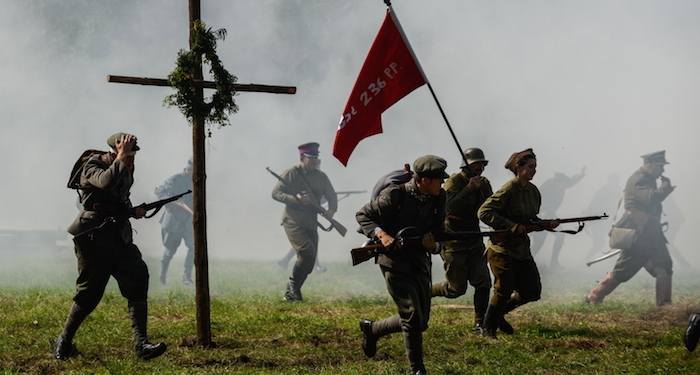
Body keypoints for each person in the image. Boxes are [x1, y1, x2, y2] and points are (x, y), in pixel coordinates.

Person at [56, 133, 166, 360]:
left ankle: (141, 345)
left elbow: (119, 197)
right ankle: (64, 341)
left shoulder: (125, 167)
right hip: (94, 237)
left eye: (133, 156)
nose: (131, 161)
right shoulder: (93, 164)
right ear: (115, 153)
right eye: (128, 156)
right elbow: (105, 182)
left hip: (119, 237)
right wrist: (122, 157)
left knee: (137, 279)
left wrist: (133, 210)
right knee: (89, 295)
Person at [356, 155, 448, 375]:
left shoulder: (439, 197)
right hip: (393, 261)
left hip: (419, 261)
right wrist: (382, 235)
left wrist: (433, 245)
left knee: (421, 321)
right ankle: (418, 370)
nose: (442, 183)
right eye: (438, 179)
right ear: (424, 180)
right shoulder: (395, 195)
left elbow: (439, 233)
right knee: (413, 317)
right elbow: (363, 215)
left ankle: (373, 329)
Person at [477, 148, 559, 339]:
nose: (534, 171)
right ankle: (487, 328)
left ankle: (497, 316)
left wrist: (546, 224)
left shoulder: (533, 192)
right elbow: (484, 212)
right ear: (518, 167)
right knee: (503, 288)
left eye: (535, 167)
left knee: (532, 291)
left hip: (521, 249)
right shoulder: (508, 189)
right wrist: (510, 226)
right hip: (501, 249)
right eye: (530, 167)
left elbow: (530, 219)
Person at [585, 151, 675, 306]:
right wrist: (666, 186)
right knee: (623, 270)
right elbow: (652, 198)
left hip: (652, 234)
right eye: (660, 166)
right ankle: (594, 295)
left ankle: (664, 306)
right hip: (638, 234)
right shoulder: (639, 180)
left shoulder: (648, 179)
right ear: (650, 165)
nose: (663, 171)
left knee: (664, 266)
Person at [431, 148, 493, 333]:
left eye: (482, 164)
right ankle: (425, 293)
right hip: (454, 240)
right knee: (455, 289)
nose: (480, 167)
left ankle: (480, 323)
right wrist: (468, 190)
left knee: (483, 281)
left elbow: (489, 206)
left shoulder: (484, 183)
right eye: (477, 164)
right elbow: (448, 207)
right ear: (467, 165)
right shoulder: (453, 182)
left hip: (474, 239)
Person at [272, 142, 337, 302]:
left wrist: (331, 211)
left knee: (311, 258)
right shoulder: (292, 173)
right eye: (311, 157)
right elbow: (276, 193)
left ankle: (292, 291)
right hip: (293, 220)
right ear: (302, 157)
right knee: (306, 252)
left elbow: (331, 195)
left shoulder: (321, 176)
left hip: (311, 222)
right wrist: (295, 199)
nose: (314, 160)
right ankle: (293, 287)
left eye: (316, 157)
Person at [530, 167, 585, 268]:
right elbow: (536, 199)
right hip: (540, 216)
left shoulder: (562, 185)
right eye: (564, 184)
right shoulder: (548, 186)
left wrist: (581, 175)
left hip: (551, 215)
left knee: (560, 235)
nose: (565, 187)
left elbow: (571, 181)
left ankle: (553, 262)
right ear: (557, 182)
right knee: (539, 242)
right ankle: (527, 262)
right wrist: (542, 211)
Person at [156, 157, 194, 285]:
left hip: (189, 222)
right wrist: (172, 202)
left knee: (194, 248)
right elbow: (160, 191)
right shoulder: (175, 179)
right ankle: (162, 279)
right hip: (174, 222)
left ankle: (186, 278)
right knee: (169, 251)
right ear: (188, 169)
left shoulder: (197, 181)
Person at [582, 173, 622, 262]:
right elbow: (593, 204)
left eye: (616, 181)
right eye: (613, 181)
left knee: (614, 240)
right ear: (609, 181)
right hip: (598, 220)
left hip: (608, 220)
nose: (614, 183)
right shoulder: (603, 191)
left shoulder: (618, 190)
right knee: (599, 244)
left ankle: (612, 262)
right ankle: (586, 260)